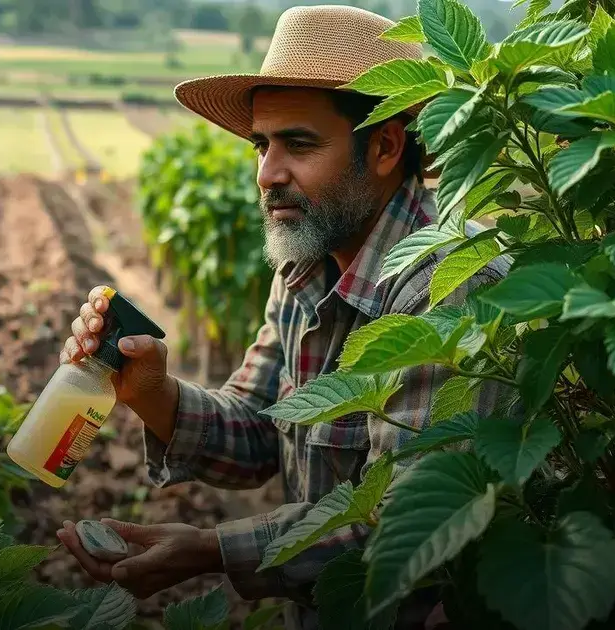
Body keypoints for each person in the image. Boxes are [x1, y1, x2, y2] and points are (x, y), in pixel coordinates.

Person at [55, 5, 508, 629]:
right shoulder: (306, 261)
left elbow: (408, 530)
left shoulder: (450, 287)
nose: (267, 174)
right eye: (261, 145)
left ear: (384, 146)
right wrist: (153, 392)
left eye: (298, 143)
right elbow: (261, 431)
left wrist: (210, 550)